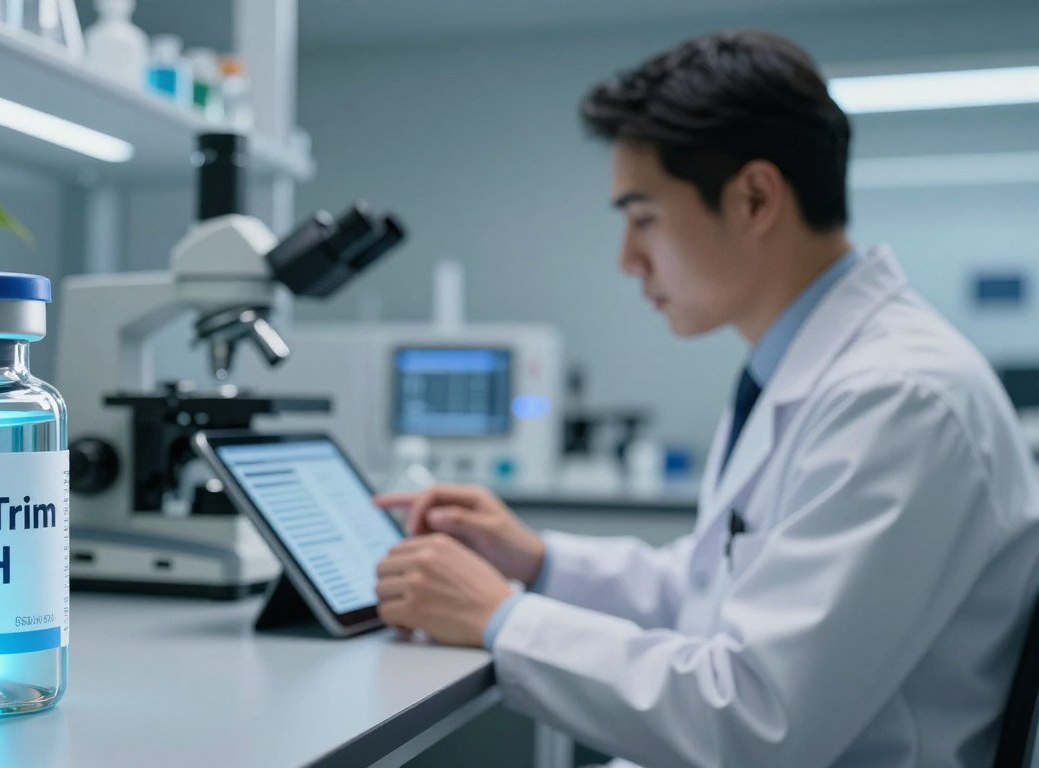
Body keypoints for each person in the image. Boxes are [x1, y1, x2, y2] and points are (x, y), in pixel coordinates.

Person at [373, 29, 1039, 767]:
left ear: (754, 198)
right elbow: (709, 591)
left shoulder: (899, 400)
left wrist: (500, 617)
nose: (628, 259)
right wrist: (539, 562)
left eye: (643, 217)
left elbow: (754, 717)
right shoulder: (805, 371)